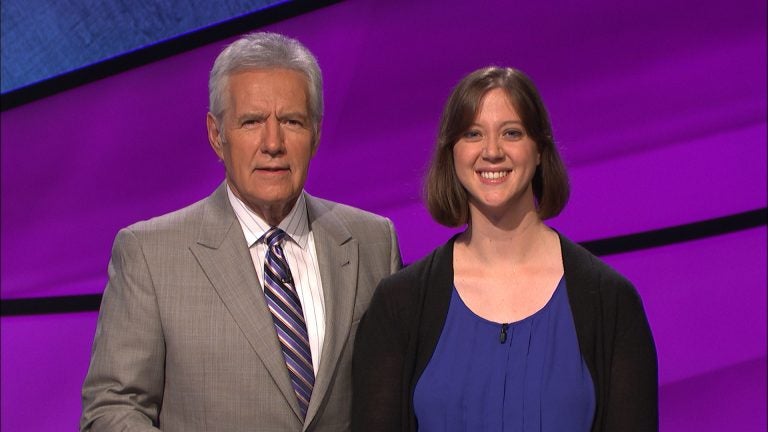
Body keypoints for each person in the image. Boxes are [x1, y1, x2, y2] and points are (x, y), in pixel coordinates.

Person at [81, 32, 402, 431]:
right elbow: (112, 409)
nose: (273, 143)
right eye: (252, 122)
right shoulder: (149, 253)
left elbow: (398, 398)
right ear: (217, 135)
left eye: (291, 122)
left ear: (316, 134)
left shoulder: (373, 240)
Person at [352, 66, 657, 431]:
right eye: (473, 134)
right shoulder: (399, 303)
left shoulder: (611, 302)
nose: (492, 151)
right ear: (452, 153)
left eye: (511, 133)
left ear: (540, 149)